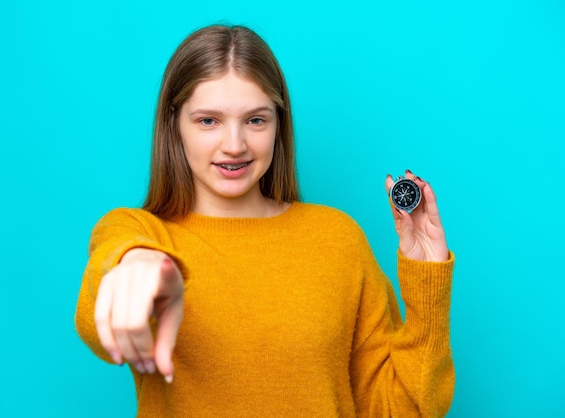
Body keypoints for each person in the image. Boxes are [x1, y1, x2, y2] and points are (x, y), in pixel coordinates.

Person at [74, 24, 455, 417]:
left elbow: (403, 409)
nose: (235, 145)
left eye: (256, 120)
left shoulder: (336, 238)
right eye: (208, 121)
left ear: (279, 124)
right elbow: (99, 319)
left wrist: (427, 280)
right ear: (174, 125)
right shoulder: (139, 234)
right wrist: (141, 265)